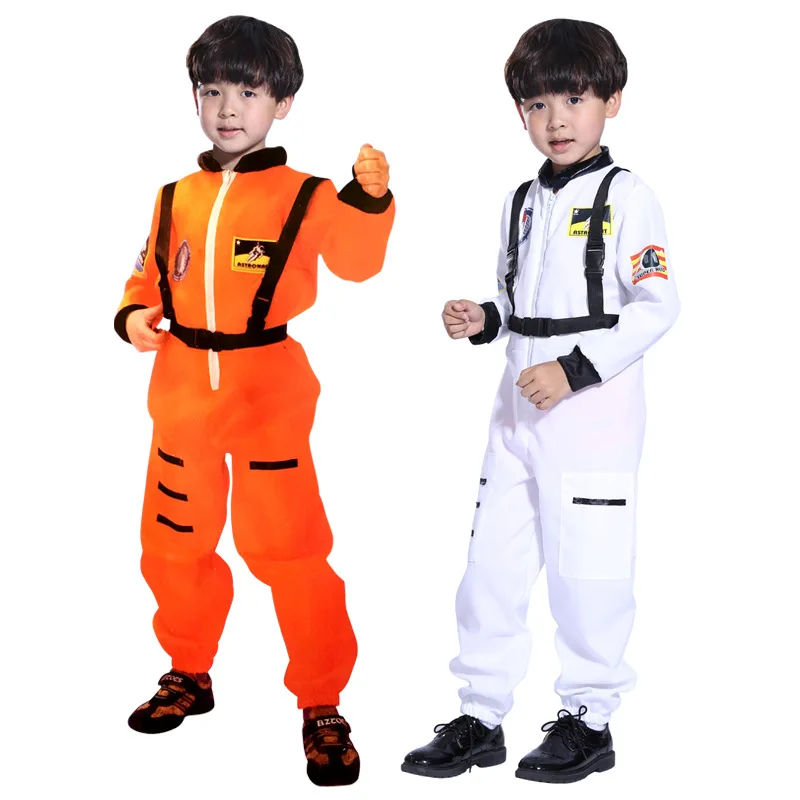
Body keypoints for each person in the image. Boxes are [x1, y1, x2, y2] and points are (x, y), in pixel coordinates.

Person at [114, 15, 394, 787]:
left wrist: (371, 201)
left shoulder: (307, 196)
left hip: (268, 393)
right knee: (172, 544)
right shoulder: (173, 196)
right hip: (181, 395)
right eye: (212, 91)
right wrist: (134, 316)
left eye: (248, 91)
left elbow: (357, 263)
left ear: (284, 102)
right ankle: (188, 669)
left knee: (290, 550)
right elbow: (146, 277)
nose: (228, 107)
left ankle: (322, 700)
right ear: (195, 99)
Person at [401, 18, 679, 784]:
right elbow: (518, 295)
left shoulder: (629, 197)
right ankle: (480, 713)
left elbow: (656, 306)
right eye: (536, 105)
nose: (556, 119)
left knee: (587, 570)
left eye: (574, 99)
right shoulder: (521, 200)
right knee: (490, 564)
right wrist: (484, 319)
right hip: (514, 412)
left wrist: (574, 370)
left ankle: (590, 719)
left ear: (612, 100)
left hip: (592, 416)